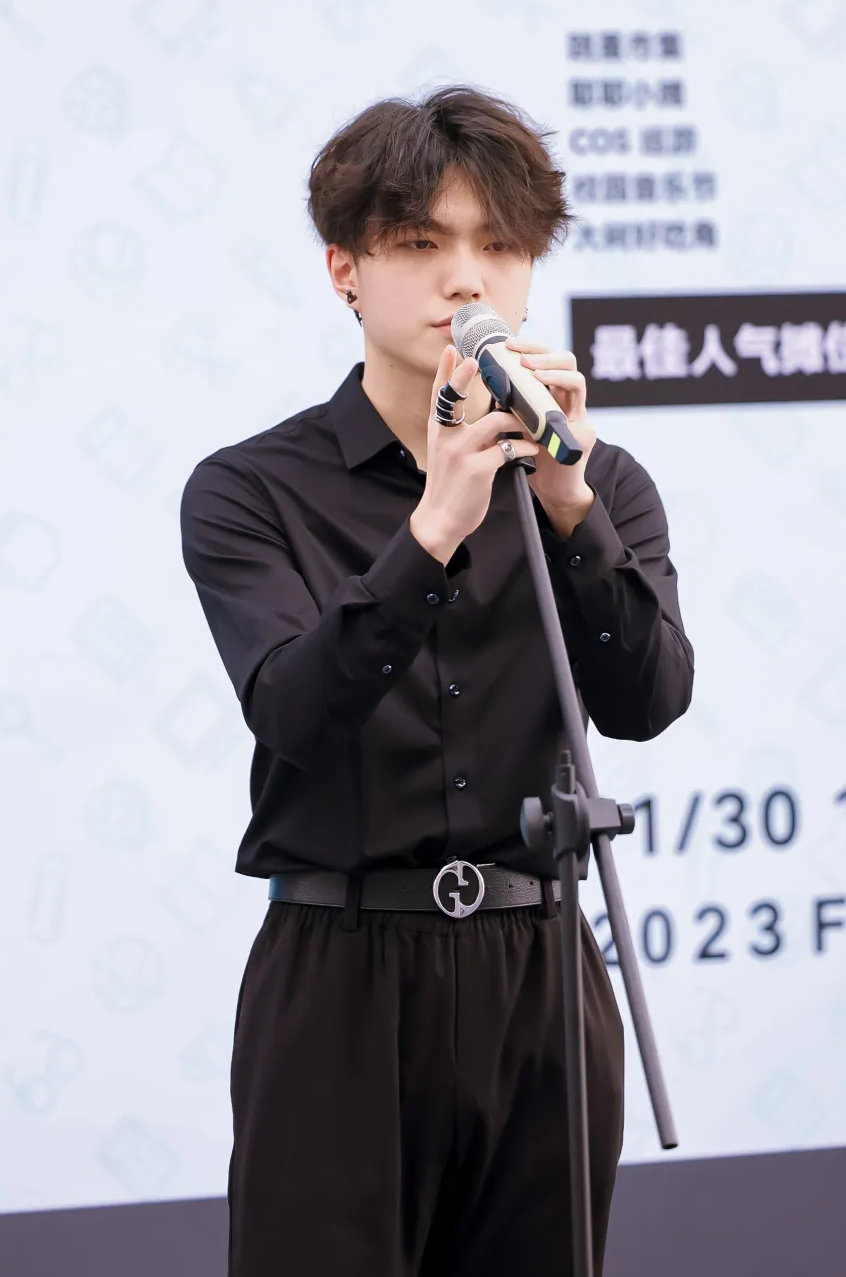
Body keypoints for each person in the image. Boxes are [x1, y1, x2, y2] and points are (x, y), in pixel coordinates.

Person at [179, 84, 694, 1277]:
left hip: (540, 965)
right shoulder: (251, 489)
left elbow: (650, 698)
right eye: (420, 243)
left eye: (499, 246)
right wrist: (435, 525)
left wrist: (569, 507)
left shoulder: (600, 484)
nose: (467, 280)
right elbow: (293, 711)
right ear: (346, 271)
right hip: (341, 971)